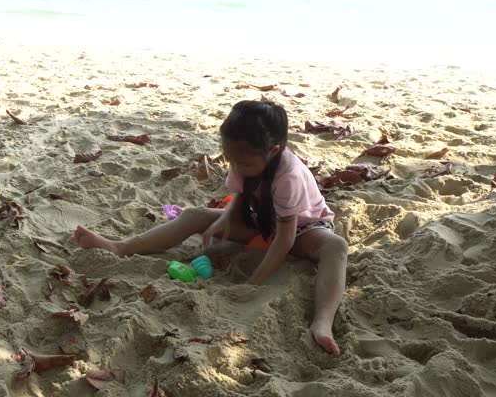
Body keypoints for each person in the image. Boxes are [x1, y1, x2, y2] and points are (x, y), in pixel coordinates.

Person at [73, 100, 348, 356]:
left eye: (244, 163)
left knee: (337, 246)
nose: (237, 167)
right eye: (232, 160)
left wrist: (253, 283)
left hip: (302, 229)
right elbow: (243, 192)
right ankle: (120, 247)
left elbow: (285, 237)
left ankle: (322, 322)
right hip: (262, 221)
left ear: (273, 151)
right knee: (195, 215)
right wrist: (228, 217)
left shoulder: (289, 176)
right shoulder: (242, 159)